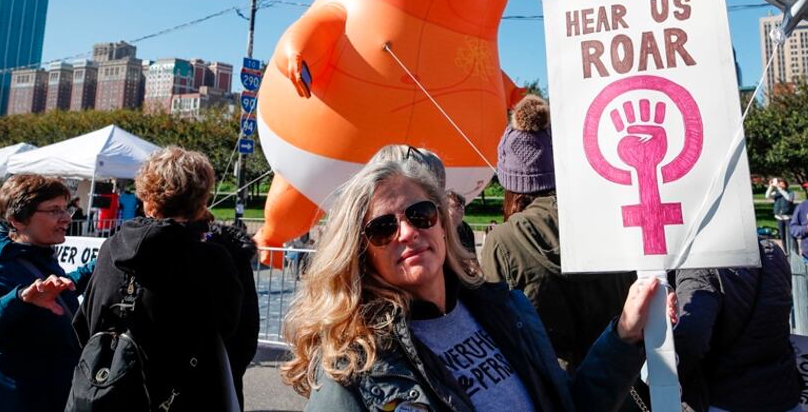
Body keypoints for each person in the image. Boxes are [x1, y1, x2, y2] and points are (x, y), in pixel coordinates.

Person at [281, 151, 659, 410]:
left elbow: (568, 405)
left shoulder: (508, 308)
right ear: (361, 253)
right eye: (383, 228)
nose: (408, 232)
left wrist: (624, 335)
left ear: (442, 226)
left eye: (420, 214)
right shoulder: (349, 363)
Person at [74, 147, 259, 412]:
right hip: (188, 395)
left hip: (110, 390)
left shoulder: (111, 248)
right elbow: (235, 334)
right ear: (201, 200)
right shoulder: (212, 259)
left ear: (147, 198)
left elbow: (88, 323)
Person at [480, 95, 637, 373]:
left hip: (552, 389)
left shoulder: (502, 241)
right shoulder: (609, 221)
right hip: (620, 380)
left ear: (510, 184)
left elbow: (497, 334)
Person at [0, 174, 93, 412]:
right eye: (54, 210)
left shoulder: (37, 254)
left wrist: (103, 260)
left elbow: (53, 292)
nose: (66, 218)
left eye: (66, 209)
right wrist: (17, 299)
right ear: (18, 220)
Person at [671, 237, 802, 412]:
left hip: (725, 399)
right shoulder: (772, 250)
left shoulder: (700, 263)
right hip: (782, 394)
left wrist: (661, 376)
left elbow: (691, 337)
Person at [766, 178, 795, 253]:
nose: (780, 185)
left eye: (782, 183)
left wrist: (780, 189)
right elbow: (767, 196)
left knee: (791, 236)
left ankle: (793, 251)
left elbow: (789, 199)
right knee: (782, 236)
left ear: (786, 185)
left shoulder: (790, 192)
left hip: (788, 217)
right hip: (779, 217)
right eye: (779, 183)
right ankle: (785, 252)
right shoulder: (776, 192)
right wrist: (771, 186)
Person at [447, 190, 477, 254]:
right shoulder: (440, 231)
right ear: (445, 208)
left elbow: (472, 256)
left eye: (463, 205)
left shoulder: (466, 228)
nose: (462, 209)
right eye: (457, 206)